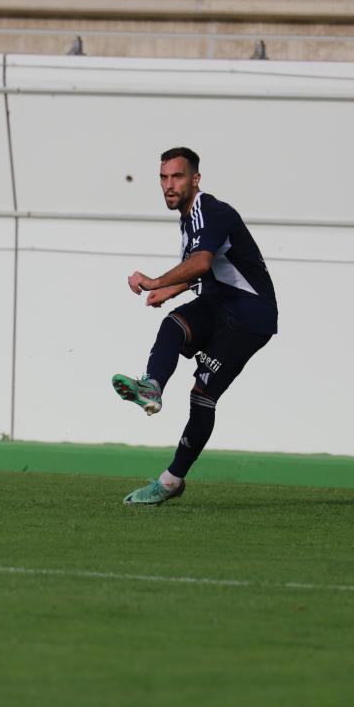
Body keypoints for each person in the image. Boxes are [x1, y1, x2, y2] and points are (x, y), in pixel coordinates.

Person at [111, 147, 277, 505]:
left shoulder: (209, 211)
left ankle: (171, 480)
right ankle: (152, 387)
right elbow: (201, 268)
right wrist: (167, 292)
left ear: (195, 179)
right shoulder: (190, 218)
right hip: (222, 304)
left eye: (178, 176)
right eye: (164, 177)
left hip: (250, 315)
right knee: (173, 325)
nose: (169, 185)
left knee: (203, 395)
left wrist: (155, 282)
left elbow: (201, 263)